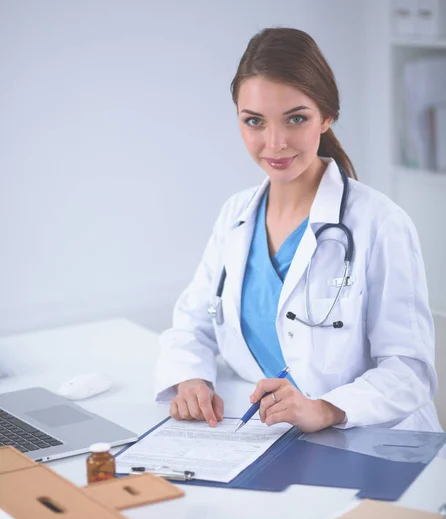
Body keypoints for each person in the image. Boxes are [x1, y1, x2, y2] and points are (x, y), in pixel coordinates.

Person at [154, 27, 442, 434]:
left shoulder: (380, 223)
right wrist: (191, 379)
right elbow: (193, 323)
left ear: (327, 116)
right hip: (272, 438)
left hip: (376, 442)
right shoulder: (235, 217)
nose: (274, 142)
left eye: (296, 119)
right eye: (254, 121)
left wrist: (326, 408)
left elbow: (409, 370)